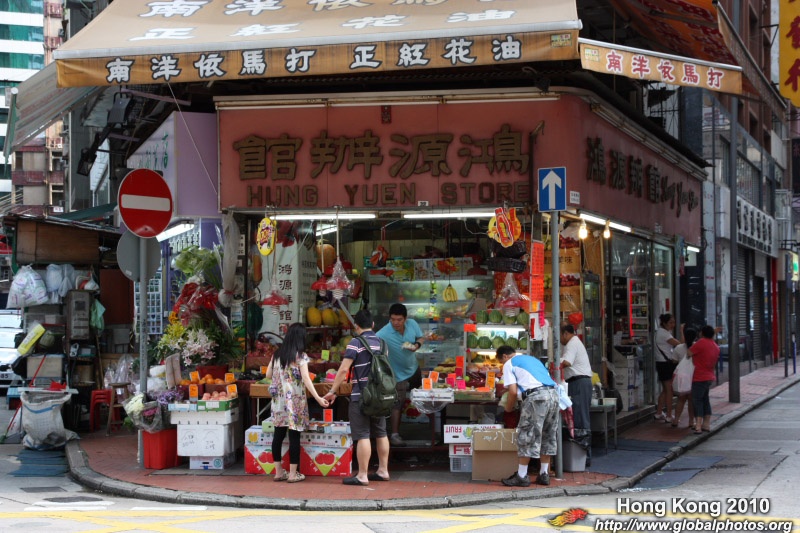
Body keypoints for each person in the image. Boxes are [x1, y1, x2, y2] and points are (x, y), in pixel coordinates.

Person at [324, 309, 391, 486]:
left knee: (362, 435)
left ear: (356, 326)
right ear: (373, 325)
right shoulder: (383, 343)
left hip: (361, 395)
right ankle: (383, 470)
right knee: (381, 433)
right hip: (380, 396)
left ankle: (362, 475)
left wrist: (333, 390)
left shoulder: (356, 343)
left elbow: (343, 370)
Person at [264, 322, 329, 483]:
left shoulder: (277, 354)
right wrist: (318, 398)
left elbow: (268, 374)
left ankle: (279, 472)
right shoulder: (300, 356)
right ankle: (293, 474)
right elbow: (306, 378)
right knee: (294, 436)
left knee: (278, 435)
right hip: (295, 401)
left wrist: (281, 376)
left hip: (279, 401)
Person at [497, 345, 559, 487]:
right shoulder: (533, 360)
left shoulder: (509, 364)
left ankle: (522, 475)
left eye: (501, 361)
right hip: (554, 396)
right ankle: (544, 474)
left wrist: (508, 409)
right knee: (548, 434)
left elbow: (513, 392)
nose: (502, 365)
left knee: (527, 435)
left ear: (505, 356)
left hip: (536, 398)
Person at [376, 303, 424, 447]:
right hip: (397, 375)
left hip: (414, 368)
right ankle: (395, 435)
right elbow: (373, 346)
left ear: (405, 319)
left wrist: (416, 346)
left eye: (399, 320)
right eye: (393, 319)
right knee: (397, 404)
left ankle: (424, 425)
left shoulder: (412, 324)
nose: (396, 323)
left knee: (422, 396)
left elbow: (421, 337)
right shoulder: (383, 333)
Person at [559, 324, 594, 466]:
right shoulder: (574, 342)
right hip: (577, 382)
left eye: (560, 335)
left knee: (580, 418)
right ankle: (581, 455)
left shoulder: (572, 343)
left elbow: (567, 362)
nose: (560, 339)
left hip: (579, 383)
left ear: (565, 333)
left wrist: (553, 363)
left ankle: (584, 456)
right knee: (577, 417)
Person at [689, 325, 720, 434]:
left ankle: (698, 425)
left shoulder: (701, 342)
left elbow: (689, 353)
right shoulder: (716, 346)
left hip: (699, 376)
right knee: (705, 399)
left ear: (702, 333)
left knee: (697, 400)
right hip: (709, 376)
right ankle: (706, 424)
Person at [655, 313, 681, 423]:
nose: (673, 325)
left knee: (665, 390)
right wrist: (682, 331)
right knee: (669, 390)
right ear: (664, 323)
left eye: (674, 322)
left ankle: (659, 413)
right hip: (665, 364)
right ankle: (669, 415)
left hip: (661, 363)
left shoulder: (660, 332)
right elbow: (679, 345)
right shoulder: (664, 334)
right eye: (671, 323)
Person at [671, 325, 697, 428]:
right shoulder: (697, 347)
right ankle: (691, 421)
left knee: (681, 399)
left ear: (684, 337)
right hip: (693, 375)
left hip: (681, 376)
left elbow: (674, 361)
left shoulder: (678, 348)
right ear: (695, 337)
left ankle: (676, 420)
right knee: (691, 400)